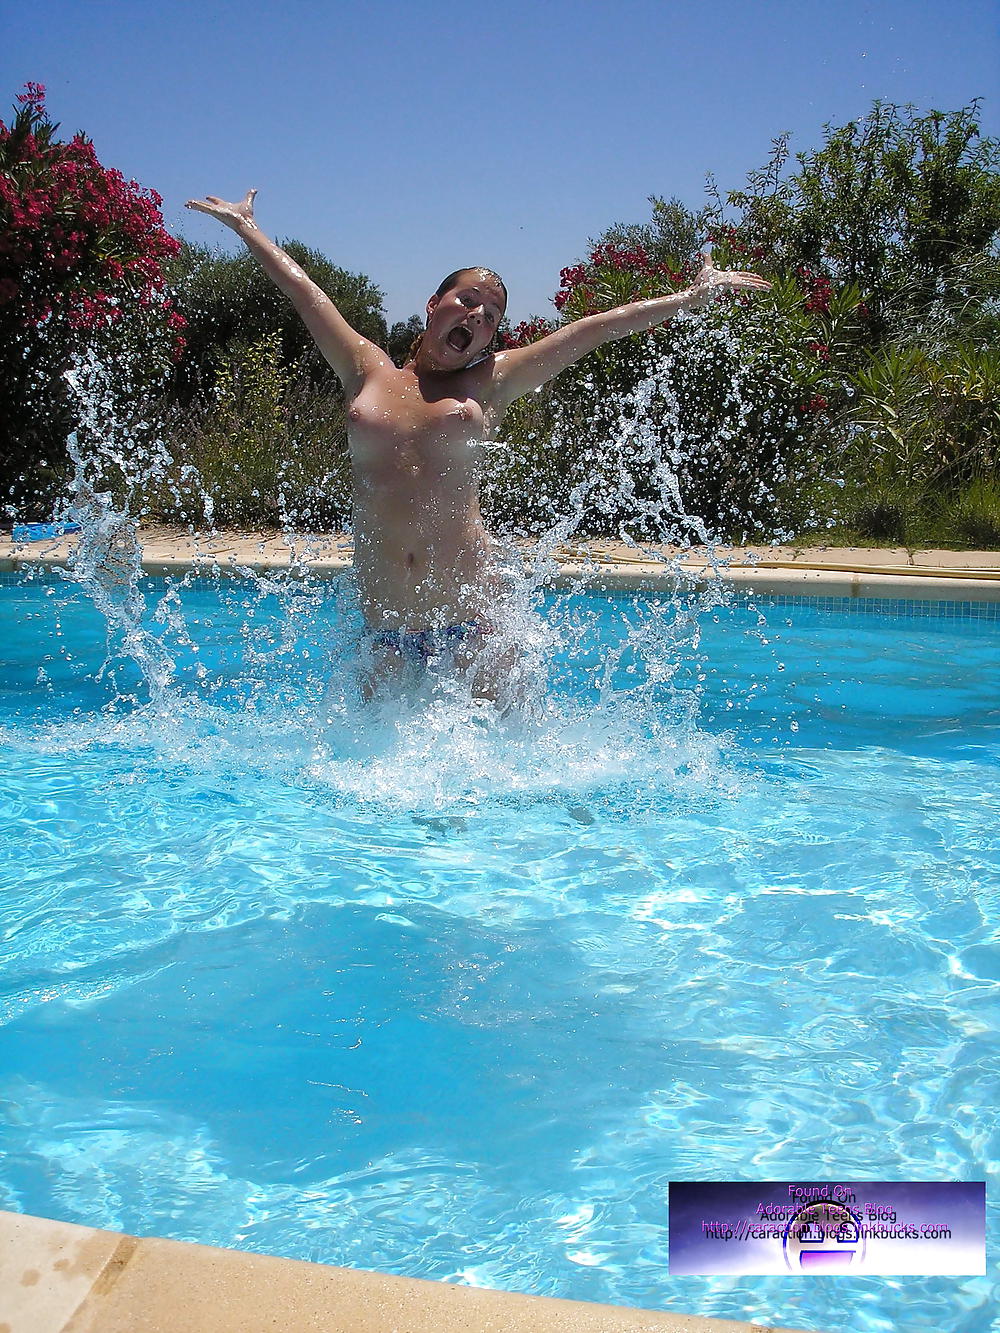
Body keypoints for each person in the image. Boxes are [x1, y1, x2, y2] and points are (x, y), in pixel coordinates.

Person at [184, 189, 771, 701]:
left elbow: (589, 330)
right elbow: (306, 295)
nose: (477, 316)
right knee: (359, 796)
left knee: (511, 786)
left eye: (491, 317)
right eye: (466, 301)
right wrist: (248, 229)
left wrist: (685, 301)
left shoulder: (491, 382)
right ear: (433, 306)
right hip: (381, 627)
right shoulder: (367, 367)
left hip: (471, 624)